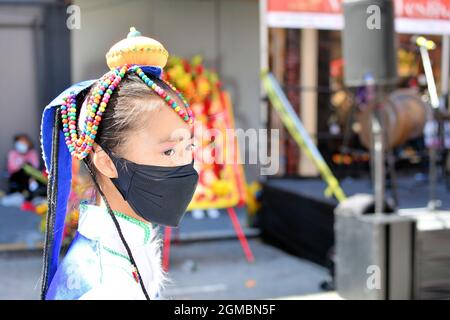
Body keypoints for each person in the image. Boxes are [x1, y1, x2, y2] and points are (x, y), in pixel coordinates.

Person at [40, 27, 198, 300]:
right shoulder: (107, 288)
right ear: (105, 161)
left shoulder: (121, 250)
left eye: (189, 147)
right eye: (170, 151)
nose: (186, 166)